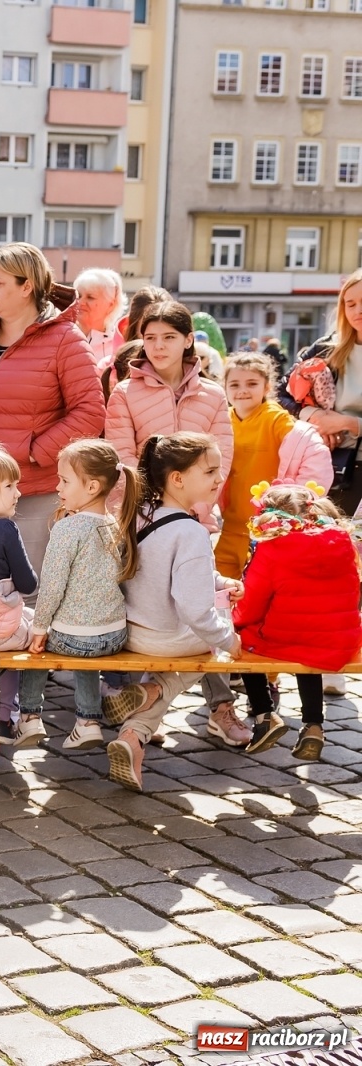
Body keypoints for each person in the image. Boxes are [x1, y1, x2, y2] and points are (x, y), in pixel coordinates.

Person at [0, 243, 104, 579]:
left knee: (27, 593)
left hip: (32, 493)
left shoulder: (66, 339)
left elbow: (90, 412)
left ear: (27, 286)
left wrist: (34, 452)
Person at [103, 433, 245, 789]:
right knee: (210, 644)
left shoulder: (140, 514)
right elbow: (196, 612)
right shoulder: (191, 532)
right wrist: (230, 642)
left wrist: (218, 580)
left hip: (131, 630)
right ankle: (154, 692)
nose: (218, 479)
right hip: (166, 639)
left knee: (201, 639)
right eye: (210, 471)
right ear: (178, 478)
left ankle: (133, 737)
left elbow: (169, 572)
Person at [17, 441, 137, 752]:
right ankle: (88, 722)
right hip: (112, 635)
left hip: (74, 638)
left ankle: (29, 715)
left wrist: (39, 630)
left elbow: (52, 587)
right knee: (85, 645)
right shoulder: (115, 525)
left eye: (64, 481)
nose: (58, 487)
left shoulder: (68, 529)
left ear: (93, 486)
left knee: (34, 642)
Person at [235, 482, 360, 760]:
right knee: (310, 645)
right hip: (339, 639)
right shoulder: (343, 542)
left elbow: (252, 604)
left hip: (289, 638)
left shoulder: (274, 548)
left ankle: (265, 715)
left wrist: (235, 622)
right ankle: (314, 724)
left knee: (246, 641)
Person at [105, 300, 235, 526]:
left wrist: (195, 509)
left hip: (197, 519)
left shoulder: (214, 395)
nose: (158, 346)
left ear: (188, 340)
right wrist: (154, 510)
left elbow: (221, 460)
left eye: (169, 337)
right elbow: (122, 457)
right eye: (151, 338)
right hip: (141, 518)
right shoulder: (124, 393)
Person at [218, 353, 331, 582]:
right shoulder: (222, 419)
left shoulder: (275, 418)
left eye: (252, 384)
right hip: (229, 525)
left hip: (267, 527)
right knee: (221, 591)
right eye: (235, 384)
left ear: (267, 386)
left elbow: (311, 448)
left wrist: (299, 498)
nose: (243, 390)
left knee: (258, 592)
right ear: (225, 388)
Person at [278, 269, 362, 514]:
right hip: (329, 462)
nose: (358, 310)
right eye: (351, 303)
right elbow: (280, 393)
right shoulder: (326, 349)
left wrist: (348, 423)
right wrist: (317, 418)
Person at [0, 444, 38, 742]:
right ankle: (12, 716)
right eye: (9, 486)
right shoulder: (5, 530)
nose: (18, 493)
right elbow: (29, 585)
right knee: (37, 632)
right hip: (3, 633)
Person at [73, 267, 124, 379]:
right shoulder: (62, 336)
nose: (80, 302)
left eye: (90, 297)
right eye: (79, 295)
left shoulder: (119, 347)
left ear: (111, 304)